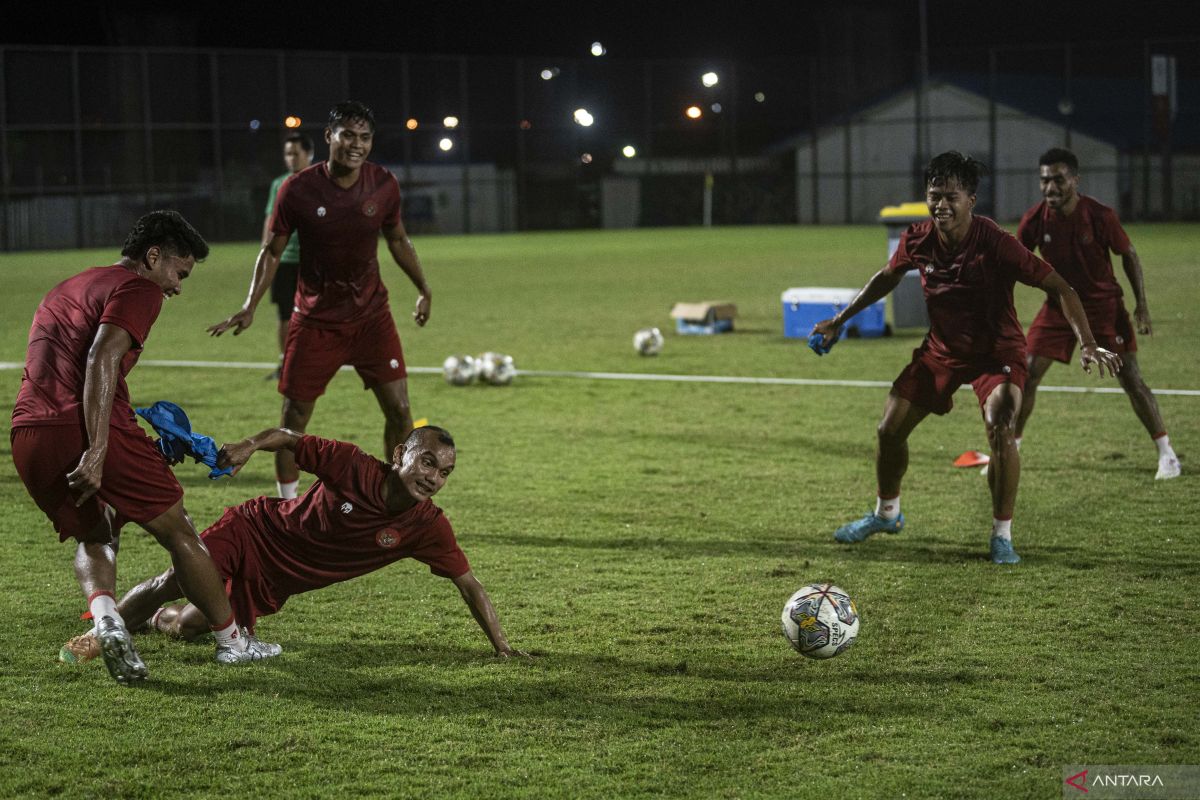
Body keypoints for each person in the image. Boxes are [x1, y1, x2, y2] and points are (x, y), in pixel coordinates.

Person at [810, 152, 1123, 565]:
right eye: (934, 195)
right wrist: (840, 319)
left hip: (997, 353)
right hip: (942, 350)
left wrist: (1086, 342)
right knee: (888, 431)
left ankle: (1002, 535)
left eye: (950, 196)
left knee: (1002, 425)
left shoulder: (995, 242)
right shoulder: (918, 238)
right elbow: (887, 276)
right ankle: (887, 514)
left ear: (971, 200)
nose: (941, 205)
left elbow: (1062, 287)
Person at [10, 211, 281, 684]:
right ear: (153, 256)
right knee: (180, 531)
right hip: (87, 427)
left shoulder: (69, 285)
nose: (177, 286)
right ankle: (233, 643)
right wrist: (97, 450)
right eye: (179, 272)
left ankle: (107, 619)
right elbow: (101, 357)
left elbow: (70, 362)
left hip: (30, 432)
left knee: (95, 535)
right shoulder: (140, 288)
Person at [59, 426, 527, 661]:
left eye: (444, 472)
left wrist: (502, 648)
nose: (433, 478)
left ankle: (153, 621)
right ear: (400, 454)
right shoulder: (352, 465)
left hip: (275, 581)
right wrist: (247, 446)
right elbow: (289, 437)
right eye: (427, 463)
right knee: (174, 579)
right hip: (255, 530)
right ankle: (100, 635)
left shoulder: (428, 527)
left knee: (188, 626)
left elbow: (469, 584)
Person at [208, 100, 431, 502]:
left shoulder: (383, 184)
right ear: (329, 137)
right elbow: (271, 250)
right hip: (315, 321)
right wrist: (250, 304)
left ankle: (394, 500)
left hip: (371, 317)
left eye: (364, 137)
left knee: (400, 411)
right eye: (347, 135)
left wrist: (423, 287)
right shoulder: (298, 189)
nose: (356, 145)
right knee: (294, 417)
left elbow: (397, 238)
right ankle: (287, 505)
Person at [1015, 147, 1181, 480]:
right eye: (1045, 180)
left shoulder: (1100, 215)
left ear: (1075, 180)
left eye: (1058, 180)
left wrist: (1142, 306)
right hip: (1058, 306)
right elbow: (1014, 262)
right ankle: (1009, 449)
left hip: (1104, 308)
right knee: (1027, 372)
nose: (1051, 188)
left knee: (1130, 378)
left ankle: (1168, 455)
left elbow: (1128, 255)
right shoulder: (1035, 219)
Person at [262, 132, 315, 380]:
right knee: (285, 315)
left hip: (312, 260)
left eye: (296, 153)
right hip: (283, 261)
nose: (291, 158)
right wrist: (266, 250)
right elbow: (270, 220)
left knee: (314, 315)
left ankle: (313, 362)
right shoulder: (278, 184)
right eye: (287, 154)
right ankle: (285, 365)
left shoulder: (318, 182)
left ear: (309, 154)